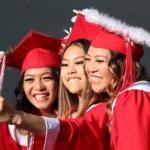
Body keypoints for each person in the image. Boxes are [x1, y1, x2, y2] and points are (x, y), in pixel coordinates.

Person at [3, 8, 150, 150]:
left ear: (123, 65)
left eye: (98, 60)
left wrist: (16, 117)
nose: (90, 67)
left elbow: (76, 131)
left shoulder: (128, 98)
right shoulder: (74, 112)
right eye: (65, 64)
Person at [0, 31, 61, 150]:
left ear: (59, 81)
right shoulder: (9, 130)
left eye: (46, 78)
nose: (38, 87)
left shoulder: (75, 123)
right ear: (22, 86)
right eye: (29, 80)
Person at [58, 38, 92, 119]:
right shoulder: (67, 116)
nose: (70, 71)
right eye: (65, 64)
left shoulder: (102, 111)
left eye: (79, 62)